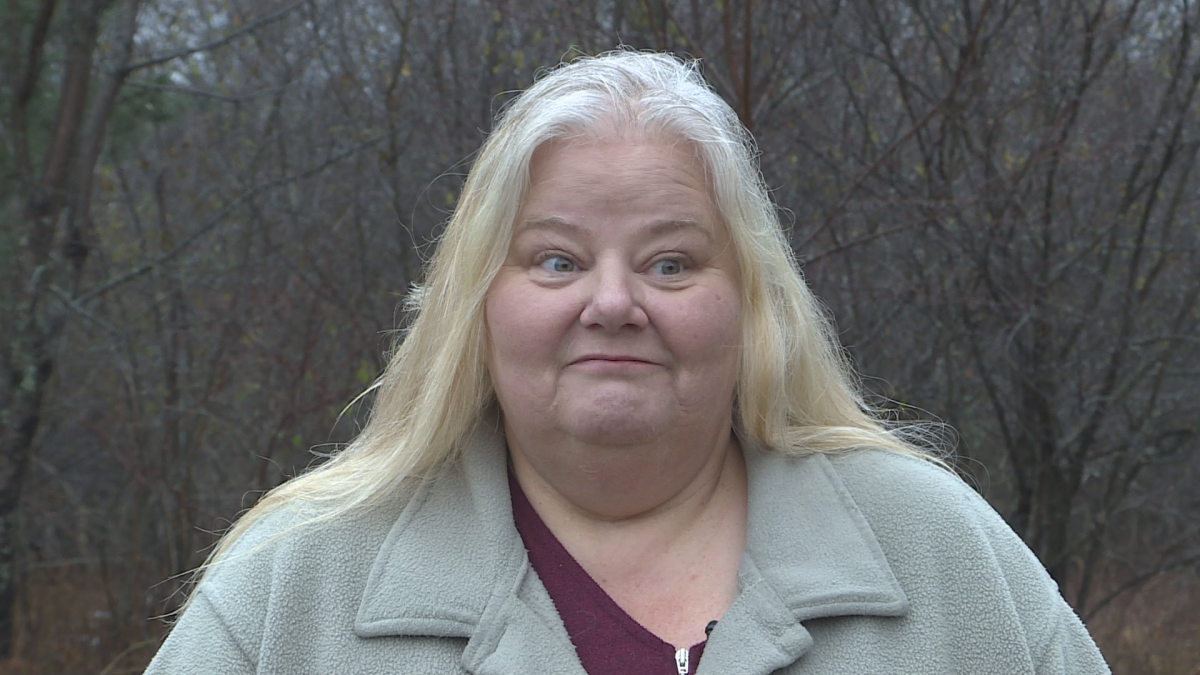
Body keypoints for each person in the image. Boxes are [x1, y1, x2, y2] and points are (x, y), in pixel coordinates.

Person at [144, 51, 1110, 675]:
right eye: (556, 259)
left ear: (752, 306)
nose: (614, 302)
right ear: (477, 303)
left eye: (671, 262)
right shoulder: (291, 589)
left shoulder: (943, 556)